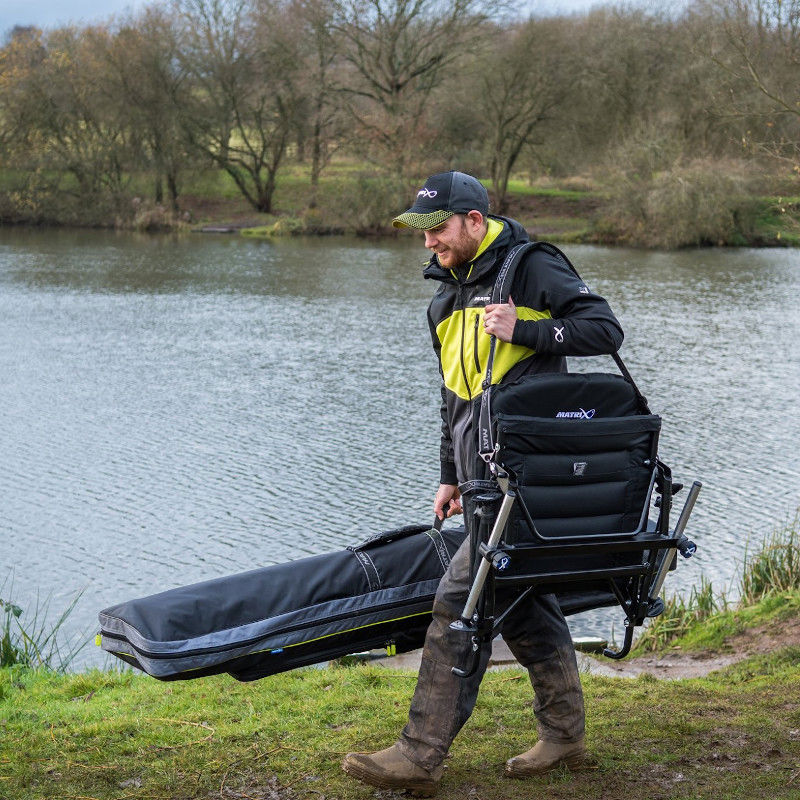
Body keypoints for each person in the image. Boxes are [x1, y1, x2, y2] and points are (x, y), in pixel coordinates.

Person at [342, 171, 624, 796]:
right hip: (481, 483)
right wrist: (450, 475)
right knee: (523, 605)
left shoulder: (530, 266)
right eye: (421, 233)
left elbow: (604, 330)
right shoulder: (443, 297)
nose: (428, 244)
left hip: (533, 480)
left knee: (459, 602)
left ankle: (419, 755)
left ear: (474, 220)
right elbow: (455, 400)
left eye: (437, 229)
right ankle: (566, 734)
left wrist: (524, 327)